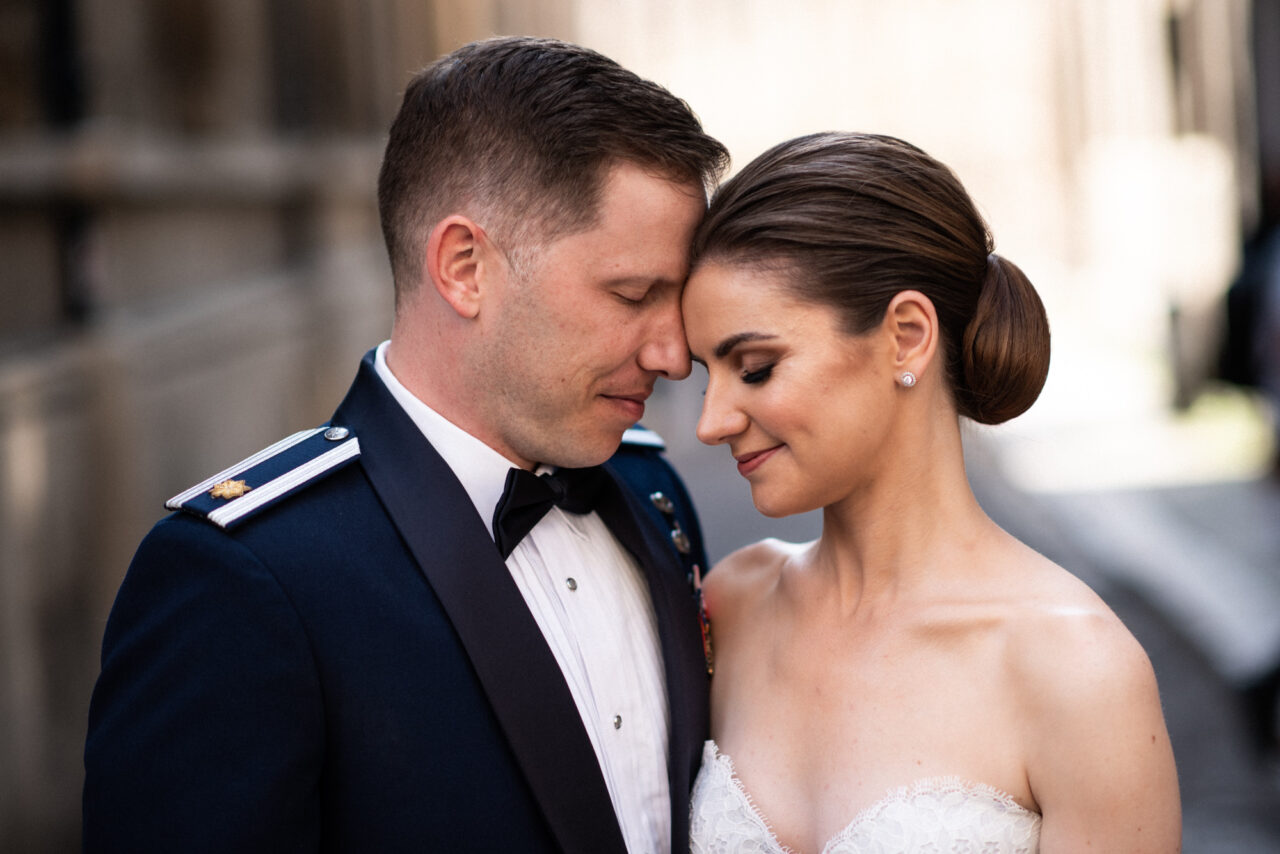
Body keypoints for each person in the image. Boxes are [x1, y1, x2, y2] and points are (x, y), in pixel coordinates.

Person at [83, 36, 728, 853]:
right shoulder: (247, 580)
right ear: (465, 267)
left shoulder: (651, 494)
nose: (674, 355)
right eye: (634, 294)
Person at [682, 132, 1181, 852]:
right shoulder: (734, 607)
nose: (710, 421)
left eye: (755, 368)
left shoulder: (1077, 668)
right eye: (706, 375)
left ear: (908, 336)